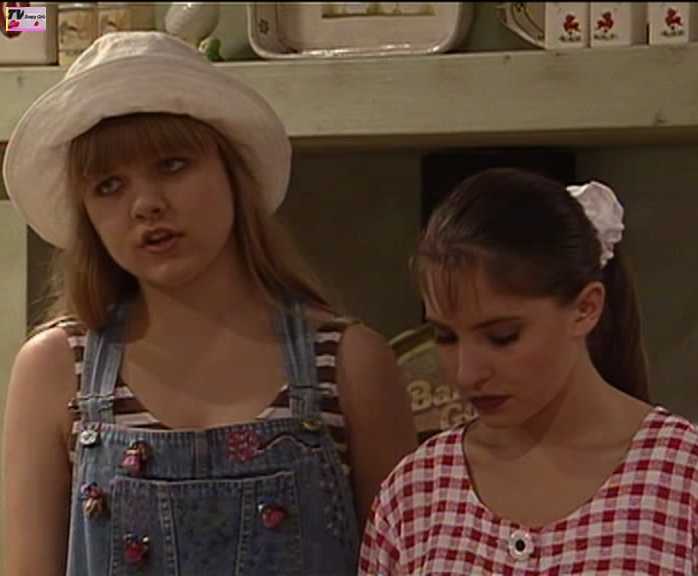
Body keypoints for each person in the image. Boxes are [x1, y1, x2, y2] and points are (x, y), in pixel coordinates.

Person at [1, 31, 417, 576]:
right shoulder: (56, 369)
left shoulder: (349, 363)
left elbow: (402, 562)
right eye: (108, 186)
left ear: (232, 174)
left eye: (172, 165)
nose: (146, 204)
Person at [358, 167, 698, 574]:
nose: (467, 373)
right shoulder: (415, 492)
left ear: (585, 308)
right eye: (446, 337)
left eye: (502, 336)